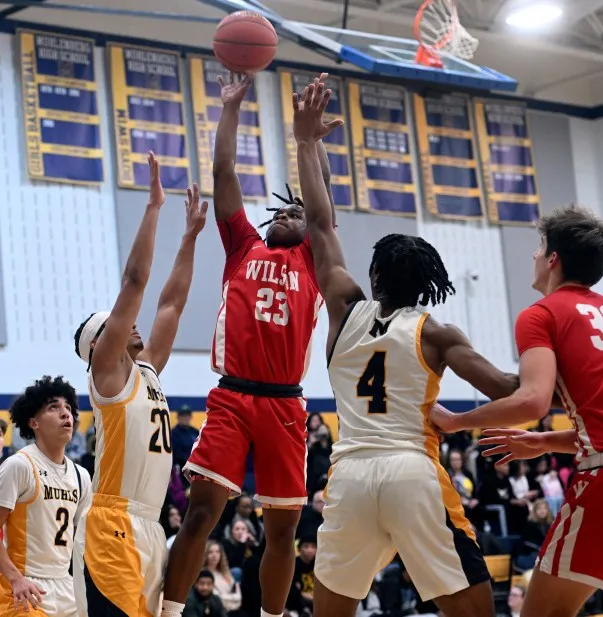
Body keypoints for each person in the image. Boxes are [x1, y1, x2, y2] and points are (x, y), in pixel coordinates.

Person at [290, 79, 521, 617]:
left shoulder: (346, 307)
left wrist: (305, 142)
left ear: (373, 276)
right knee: (472, 608)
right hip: (410, 470)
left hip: (347, 477)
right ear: (427, 282)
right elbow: (508, 391)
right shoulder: (437, 334)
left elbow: (320, 223)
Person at [162, 72, 336, 617]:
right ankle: (169, 610)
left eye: (296, 213)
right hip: (232, 397)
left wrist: (313, 147)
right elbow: (223, 172)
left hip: (286, 403)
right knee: (199, 514)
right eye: (279, 212)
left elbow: (324, 207)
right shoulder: (243, 246)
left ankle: (272, 615)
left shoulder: (313, 260)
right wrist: (231, 108)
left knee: (282, 530)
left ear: (310, 230)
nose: (285, 215)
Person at [431, 205, 603, 616]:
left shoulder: (543, 313)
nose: (534, 256)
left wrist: (457, 421)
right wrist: (543, 441)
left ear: (553, 258)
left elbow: (532, 400)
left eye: (539, 248)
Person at [71, 152, 208, 617]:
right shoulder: (105, 371)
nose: (130, 324)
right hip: (114, 523)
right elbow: (136, 280)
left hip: (150, 526)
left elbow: (170, 304)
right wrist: (152, 210)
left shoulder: (145, 370)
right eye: (115, 323)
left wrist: (189, 237)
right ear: (100, 343)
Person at [0, 376, 92, 616]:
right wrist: (15, 578)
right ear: (34, 423)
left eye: (68, 408)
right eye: (54, 407)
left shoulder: (81, 476)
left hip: (66, 585)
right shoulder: (19, 466)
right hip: (23, 585)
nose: (65, 414)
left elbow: (85, 542)